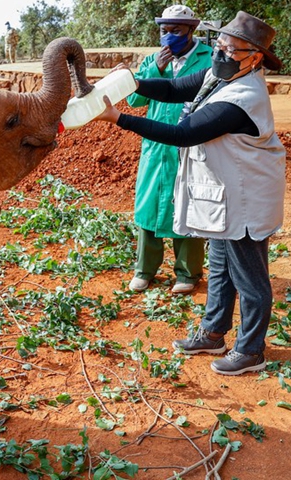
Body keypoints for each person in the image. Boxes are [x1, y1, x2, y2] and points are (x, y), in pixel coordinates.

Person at [92, 11, 286, 376]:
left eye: (232, 49)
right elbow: (173, 89)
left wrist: (118, 119)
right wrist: (132, 81)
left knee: (250, 277)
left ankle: (251, 351)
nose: (221, 54)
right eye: (221, 45)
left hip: (246, 196)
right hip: (226, 190)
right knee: (219, 268)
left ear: (255, 57)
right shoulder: (222, 74)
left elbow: (184, 134)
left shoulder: (244, 97)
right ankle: (213, 333)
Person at [126, 4, 213, 295]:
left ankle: (188, 273)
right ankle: (144, 271)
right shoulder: (152, 60)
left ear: (191, 31)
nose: (168, 37)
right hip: (156, 147)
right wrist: (155, 69)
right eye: (164, 31)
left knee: (188, 207)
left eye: (176, 31)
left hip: (191, 146)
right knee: (148, 207)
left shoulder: (208, 59)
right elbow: (134, 103)